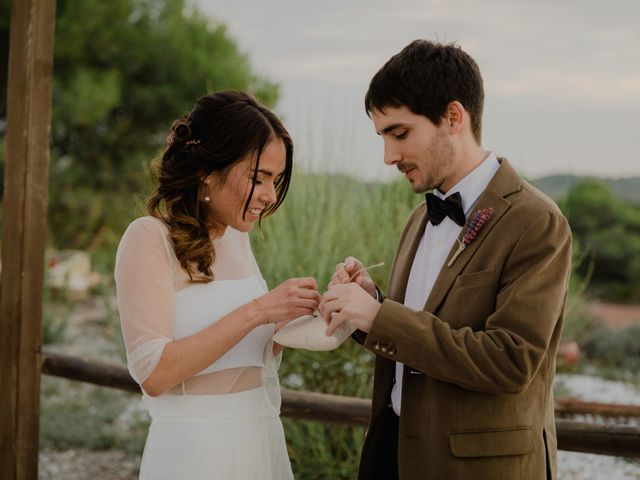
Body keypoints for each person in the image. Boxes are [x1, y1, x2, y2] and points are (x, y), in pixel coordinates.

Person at [320, 40, 572, 479]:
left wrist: (381, 317)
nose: (388, 157)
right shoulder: (419, 217)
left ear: (454, 117)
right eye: (382, 137)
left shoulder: (537, 222)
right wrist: (366, 306)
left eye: (399, 134)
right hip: (392, 454)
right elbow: (419, 329)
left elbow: (511, 361)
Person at [115, 91, 320, 479]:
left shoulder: (236, 239)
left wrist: (323, 313)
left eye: (275, 181)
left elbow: (252, 348)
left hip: (258, 440)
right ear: (207, 170)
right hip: (195, 454)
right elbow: (153, 372)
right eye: (259, 178)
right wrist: (259, 310)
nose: (270, 196)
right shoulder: (148, 238)